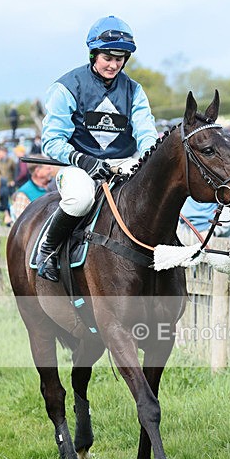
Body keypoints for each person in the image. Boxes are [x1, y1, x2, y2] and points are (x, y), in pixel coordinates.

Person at [37, 14, 158, 281]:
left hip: (123, 161)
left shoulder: (134, 90)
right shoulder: (66, 87)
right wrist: (83, 159)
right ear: (93, 54)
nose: (114, 65)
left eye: (120, 59)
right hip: (79, 165)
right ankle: (48, 249)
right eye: (107, 58)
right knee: (80, 199)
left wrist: (149, 156)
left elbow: (146, 132)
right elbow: (51, 141)